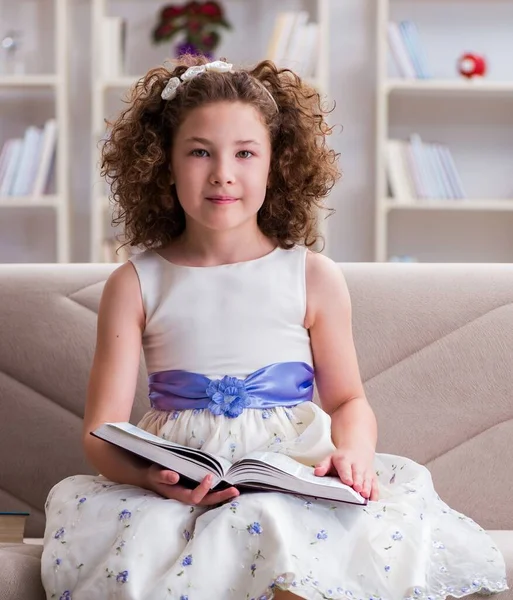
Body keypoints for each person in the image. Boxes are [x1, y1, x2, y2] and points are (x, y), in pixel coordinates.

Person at [41, 55, 508, 600]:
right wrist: (151, 479)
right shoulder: (137, 282)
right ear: (163, 164)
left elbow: (350, 399)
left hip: (292, 473)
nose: (223, 172)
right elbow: (102, 432)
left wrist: (352, 454)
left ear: (276, 165)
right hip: (186, 489)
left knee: (286, 540)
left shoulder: (311, 276)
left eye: (245, 153)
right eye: (199, 152)